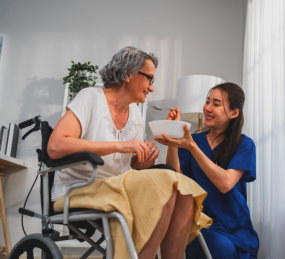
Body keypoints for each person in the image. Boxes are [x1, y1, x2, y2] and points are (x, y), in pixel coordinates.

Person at [47, 46, 211, 259]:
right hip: (81, 188)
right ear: (128, 74)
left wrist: (146, 158)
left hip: (120, 185)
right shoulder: (91, 97)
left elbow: (134, 167)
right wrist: (121, 146)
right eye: (149, 79)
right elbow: (56, 146)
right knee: (167, 184)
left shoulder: (134, 113)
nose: (151, 88)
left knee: (185, 190)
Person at [155, 82, 259, 259]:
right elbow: (175, 175)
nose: (207, 108)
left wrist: (192, 147)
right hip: (199, 224)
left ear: (234, 113)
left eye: (216, 104)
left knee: (222, 248)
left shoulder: (244, 144)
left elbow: (225, 183)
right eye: (207, 101)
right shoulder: (193, 139)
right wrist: (174, 140)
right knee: (214, 246)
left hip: (235, 228)